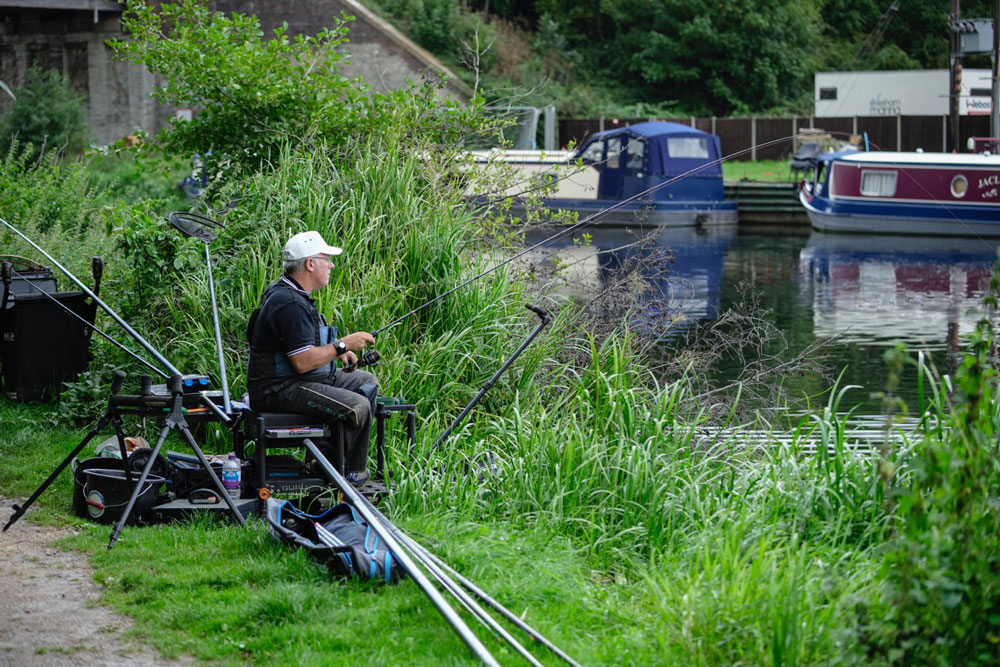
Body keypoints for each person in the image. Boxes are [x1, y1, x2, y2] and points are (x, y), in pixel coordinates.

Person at [246, 230, 378, 484]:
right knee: (357, 406)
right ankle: (351, 475)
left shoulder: (291, 293)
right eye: (326, 259)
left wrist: (340, 353)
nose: (331, 264)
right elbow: (302, 361)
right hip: (278, 388)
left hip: (297, 380)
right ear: (309, 263)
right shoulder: (289, 303)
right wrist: (342, 344)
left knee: (365, 382)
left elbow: (301, 345)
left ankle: (326, 464)